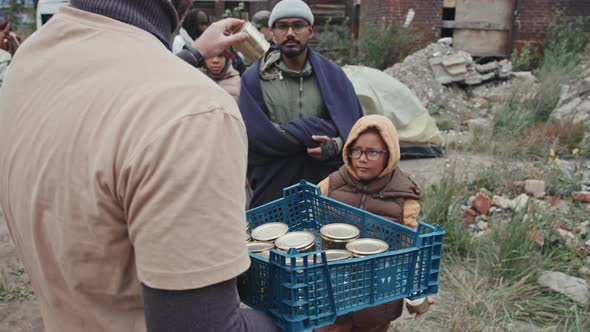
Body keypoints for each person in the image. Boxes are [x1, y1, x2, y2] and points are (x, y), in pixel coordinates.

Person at [0, 1, 277, 331]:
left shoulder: (29, 58)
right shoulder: (194, 113)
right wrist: (298, 320)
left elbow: (114, 99)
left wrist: (192, 55)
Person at [316, 114, 434, 332]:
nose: (362, 158)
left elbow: (411, 251)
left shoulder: (403, 200)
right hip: (332, 294)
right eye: (356, 150)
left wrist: (417, 294)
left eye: (372, 152)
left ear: (389, 155)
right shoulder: (330, 185)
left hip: (378, 299)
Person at [240, 0, 363, 208]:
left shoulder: (333, 76)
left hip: (324, 186)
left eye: (297, 25)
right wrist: (313, 130)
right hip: (273, 186)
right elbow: (254, 135)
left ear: (310, 30)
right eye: (282, 26)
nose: (290, 33)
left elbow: (356, 129)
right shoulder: (254, 79)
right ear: (271, 31)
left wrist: (336, 145)